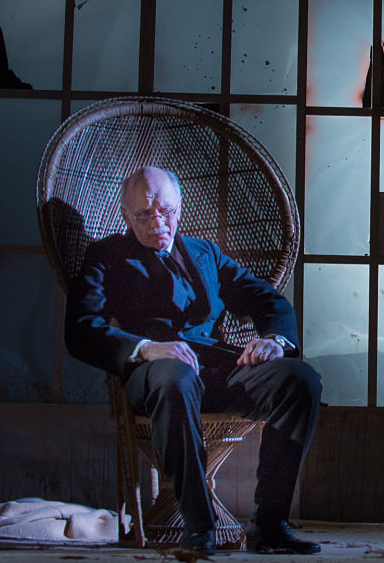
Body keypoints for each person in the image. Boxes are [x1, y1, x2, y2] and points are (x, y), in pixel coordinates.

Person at [65, 166, 322, 556]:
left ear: (179, 208)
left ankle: (269, 526)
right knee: (175, 376)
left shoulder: (205, 253)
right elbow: (81, 329)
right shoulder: (106, 256)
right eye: (144, 215)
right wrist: (145, 347)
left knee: (300, 379)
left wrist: (275, 340)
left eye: (166, 211)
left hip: (219, 371)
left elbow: (268, 300)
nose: (157, 223)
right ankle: (199, 528)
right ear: (125, 216)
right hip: (155, 374)